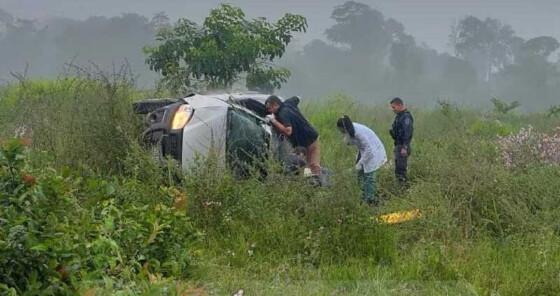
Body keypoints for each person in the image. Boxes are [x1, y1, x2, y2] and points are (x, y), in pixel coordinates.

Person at [265, 95, 322, 180]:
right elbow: (297, 98)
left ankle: (316, 184)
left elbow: (288, 131)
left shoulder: (283, 113)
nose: (269, 111)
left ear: (275, 104)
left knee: (312, 166)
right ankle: (311, 183)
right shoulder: (288, 103)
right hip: (310, 136)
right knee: (307, 166)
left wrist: (273, 121)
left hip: (308, 141)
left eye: (269, 108)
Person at [337, 115, 387, 205]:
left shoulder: (358, 132)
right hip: (363, 151)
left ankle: (370, 200)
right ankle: (363, 195)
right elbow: (352, 142)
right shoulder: (351, 130)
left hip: (373, 151)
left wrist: (360, 163)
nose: (341, 132)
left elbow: (369, 150)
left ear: (345, 127)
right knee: (360, 176)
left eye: (342, 130)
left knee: (369, 177)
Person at [389, 97, 414, 184]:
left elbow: (407, 133)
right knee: (398, 170)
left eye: (394, 107)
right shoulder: (399, 117)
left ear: (399, 105)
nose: (393, 109)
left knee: (401, 170)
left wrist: (405, 147)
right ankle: (400, 188)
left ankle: (404, 189)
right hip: (398, 145)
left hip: (403, 147)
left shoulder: (406, 117)